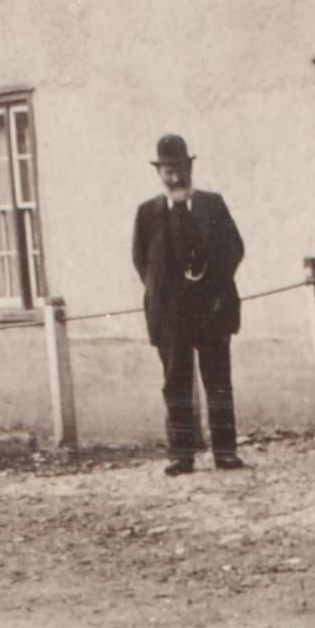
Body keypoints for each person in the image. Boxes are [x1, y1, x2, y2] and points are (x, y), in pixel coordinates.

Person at [132, 134, 246, 475]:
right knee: (176, 385)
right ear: (159, 173)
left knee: (218, 382)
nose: (175, 178)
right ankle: (181, 455)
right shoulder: (147, 214)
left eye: (180, 169)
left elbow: (234, 248)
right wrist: (167, 295)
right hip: (171, 316)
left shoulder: (213, 204)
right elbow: (141, 262)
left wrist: (214, 286)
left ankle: (225, 451)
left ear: (190, 167)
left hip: (211, 309)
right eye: (168, 171)